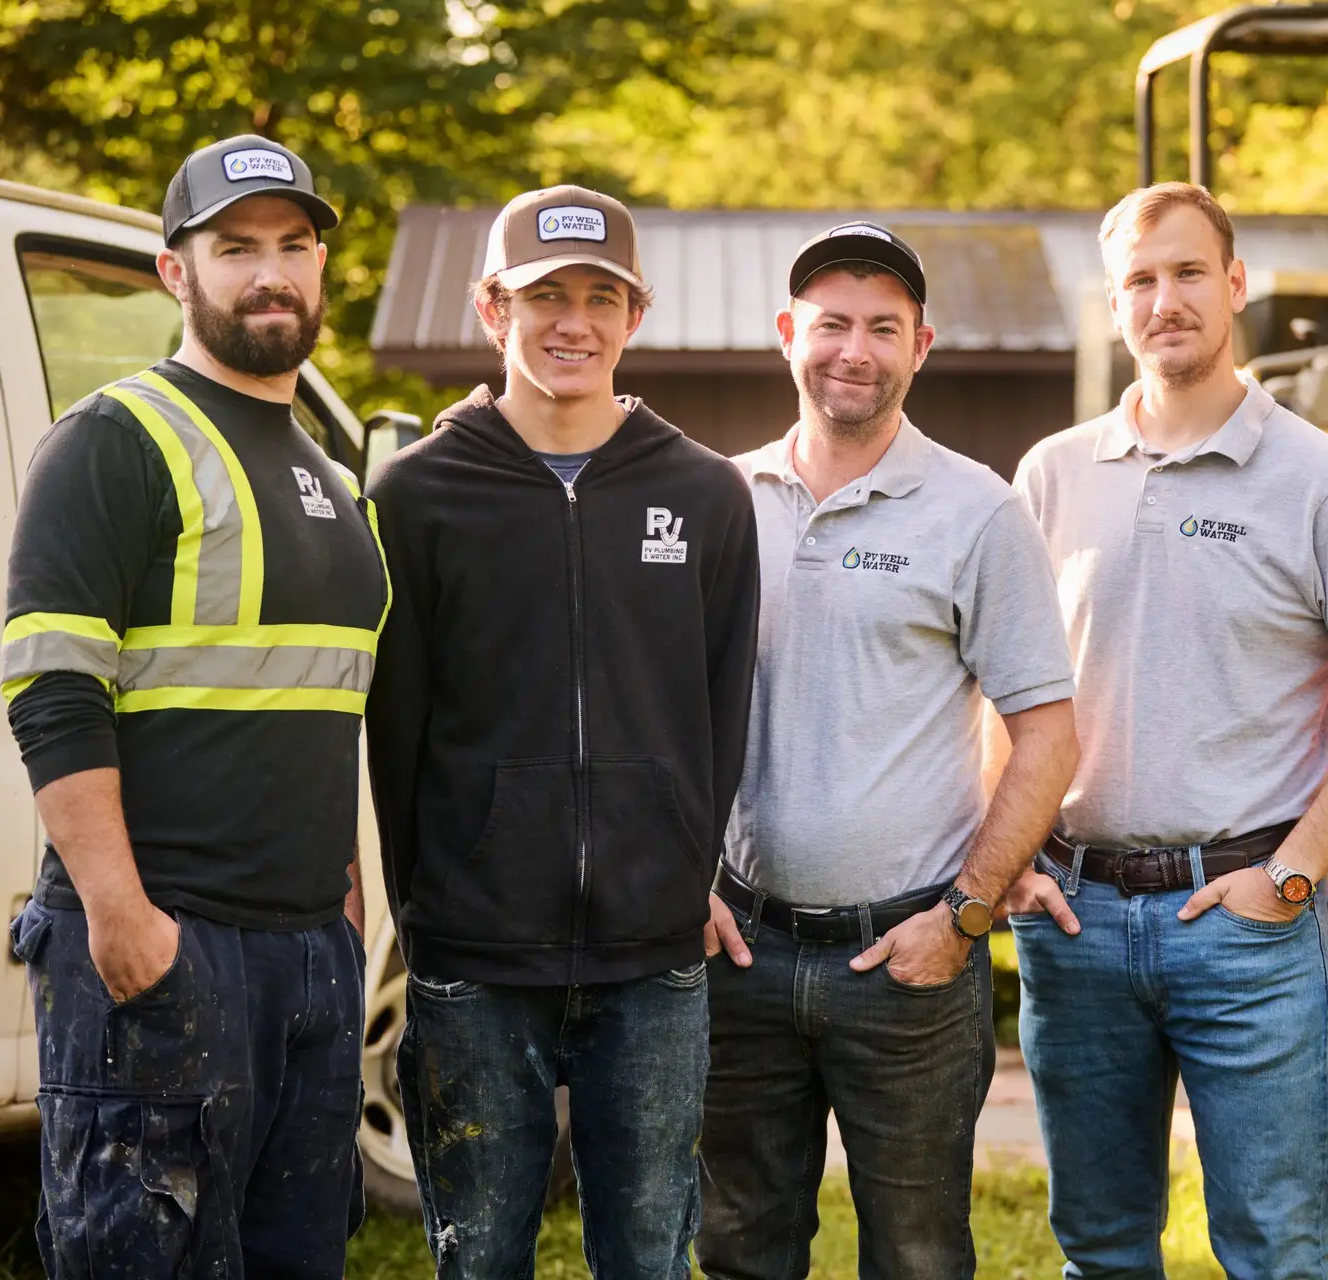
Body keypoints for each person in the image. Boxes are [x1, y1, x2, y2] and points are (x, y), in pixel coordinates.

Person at [1006, 181, 1328, 1280]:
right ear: (1115, 306)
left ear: (1236, 282)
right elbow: (996, 689)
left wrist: (1296, 874)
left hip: (1243, 925)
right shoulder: (1051, 475)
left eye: (1189, 271)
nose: (1167, 300)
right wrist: (1007, 860)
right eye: (1140, 281)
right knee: (1101, 1249)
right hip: (1076, 923)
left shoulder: (1320, 479)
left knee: (1276, 1253)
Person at [0, 134, 382, 1276]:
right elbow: (52, 691)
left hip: (312, 955)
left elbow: (328, 705)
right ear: (177, 271)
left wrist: (348, 906)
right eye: (235, 248)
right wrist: (122, 917)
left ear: (320, 267)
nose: (270, 271)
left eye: (293, 245)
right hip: (165, 944)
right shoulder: (113, 442)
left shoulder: (335, 478)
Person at [364, 184, 760, 1280]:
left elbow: (719, 709)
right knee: (480, 1253)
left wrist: (683, 872)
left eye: (600, 296)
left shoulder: (708, 493)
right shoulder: (416, 497)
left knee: (647, 1252)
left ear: (636, 315)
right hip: (475, 959)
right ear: (493, 309)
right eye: (544, 296)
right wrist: (432, 906)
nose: (572, 321)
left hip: (653, 959)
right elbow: (394, 727)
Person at [696, 222, 1079, 1280]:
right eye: (830, 324)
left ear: (922, 345)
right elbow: (660, 715)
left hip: (908, 964)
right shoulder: (717, 499)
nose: (853, 350)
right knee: (736, 1247)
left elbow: (1048, 729)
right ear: (787, 335)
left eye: (882, 326)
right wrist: (686, 878)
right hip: (741, 955)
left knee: (917, 1256)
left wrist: (964, 914)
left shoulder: (978, 509)